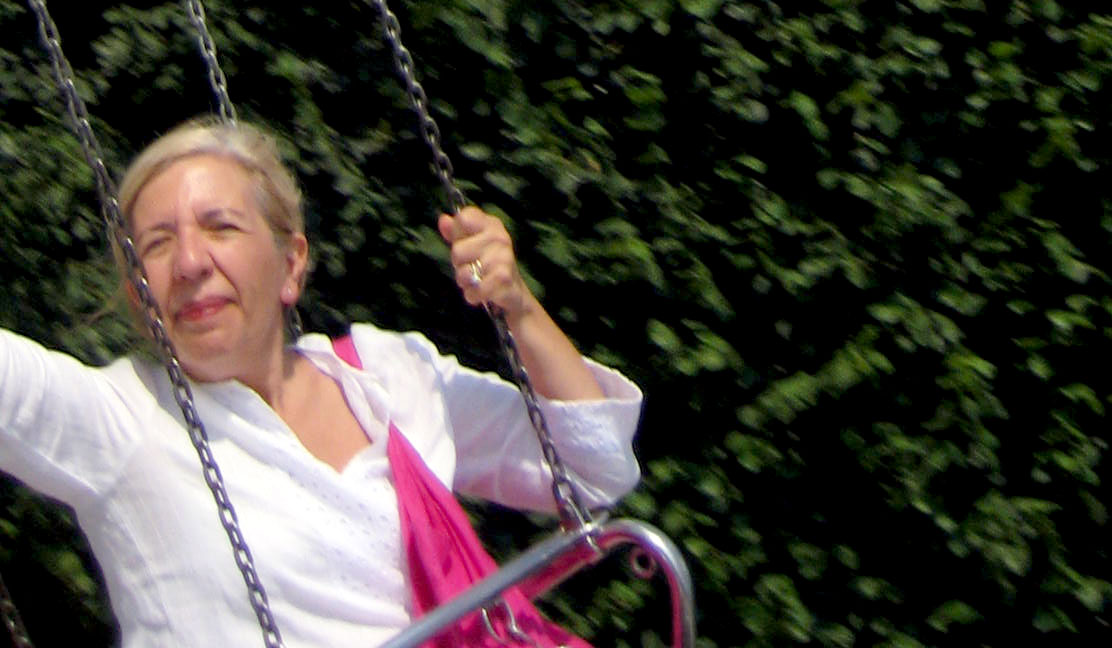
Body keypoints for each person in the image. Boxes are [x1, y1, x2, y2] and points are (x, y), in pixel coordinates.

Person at [0, 116, 641, 647]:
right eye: (158, 244)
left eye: (220, 226)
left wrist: (519, 306)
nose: (191, 263)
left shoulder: (386, 376)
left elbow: (591, 468)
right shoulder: (122, 416)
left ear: (291, 264)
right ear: (140, 295)